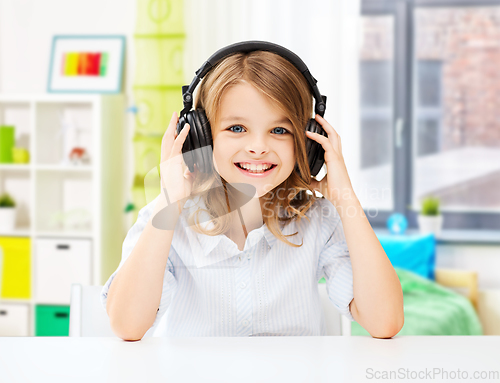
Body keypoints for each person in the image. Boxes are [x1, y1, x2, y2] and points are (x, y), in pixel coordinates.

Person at [101, 43, 404, 341]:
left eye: (279, 130)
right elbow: (128, 326)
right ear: (199, 136)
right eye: (236, 128)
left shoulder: (319, 219)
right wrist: (170, 199)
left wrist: (345, 198)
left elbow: (384, 321)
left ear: (308, 143)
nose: (258, 147)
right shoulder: (169, 218)